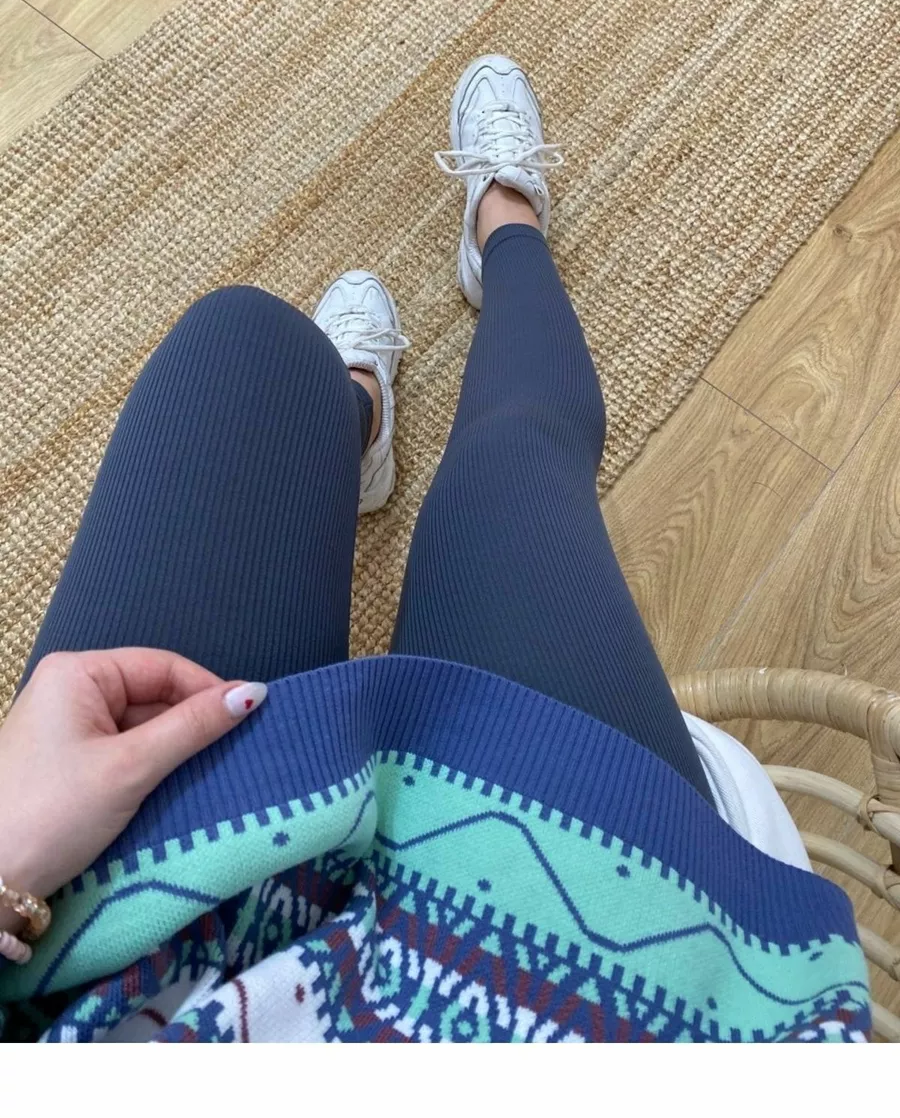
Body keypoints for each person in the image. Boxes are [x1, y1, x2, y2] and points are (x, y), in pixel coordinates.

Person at [0, 57, 868, 1043]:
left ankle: (353, 416)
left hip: (122, 970)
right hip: (575, 988)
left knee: (246, 350)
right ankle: (508, 226)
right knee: (516, 460)